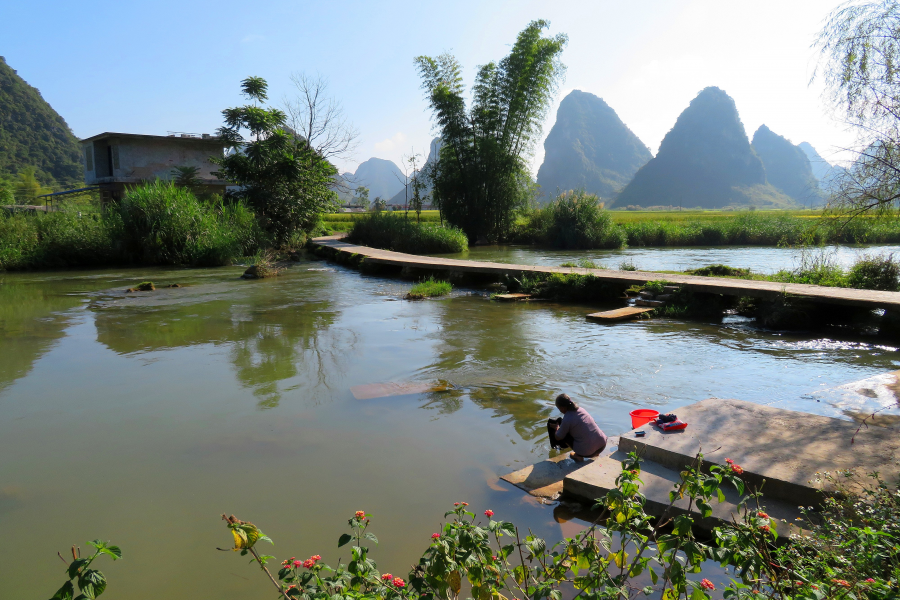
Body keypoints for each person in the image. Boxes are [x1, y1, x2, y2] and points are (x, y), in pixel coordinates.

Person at [547, 394, 607, 462]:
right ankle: (595, 452)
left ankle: (578, 456)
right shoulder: (581, 409)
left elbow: (558, 437)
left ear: (562, 408)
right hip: (602, 445)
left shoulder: (567, 418)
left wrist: (557, 428)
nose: (560, 411)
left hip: (588, 452)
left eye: (559, 408)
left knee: (564, 433)